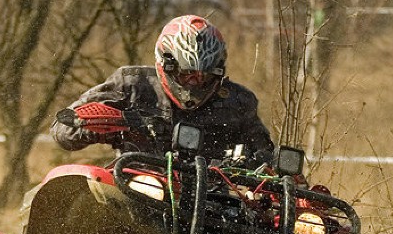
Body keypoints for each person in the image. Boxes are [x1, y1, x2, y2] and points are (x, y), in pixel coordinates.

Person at [50, 14, 274, 164]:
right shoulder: (132, 85)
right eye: (186, 74)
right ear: (166, 64)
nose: (194, 83)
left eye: (203, 76)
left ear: (217, 71)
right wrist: (105, 124)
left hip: (215, 199)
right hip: (138, 187)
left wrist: (274, 169)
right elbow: (62, 127)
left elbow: (264, 154)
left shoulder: (238, 101)